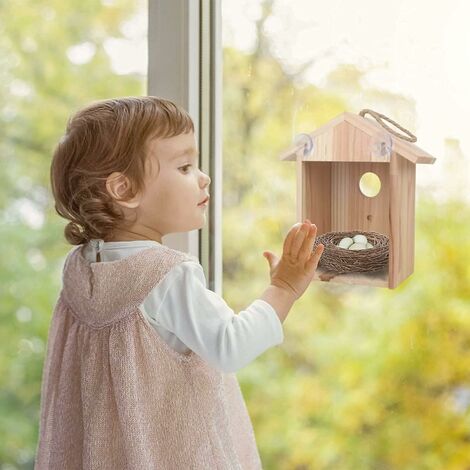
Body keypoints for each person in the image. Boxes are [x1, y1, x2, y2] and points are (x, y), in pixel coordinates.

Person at [34, 96, 324, 469]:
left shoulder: (81, 268)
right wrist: (283, 289)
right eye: (185, 167)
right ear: (124, 190)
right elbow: (229, 345)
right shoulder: (164, 274)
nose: (203, 177)